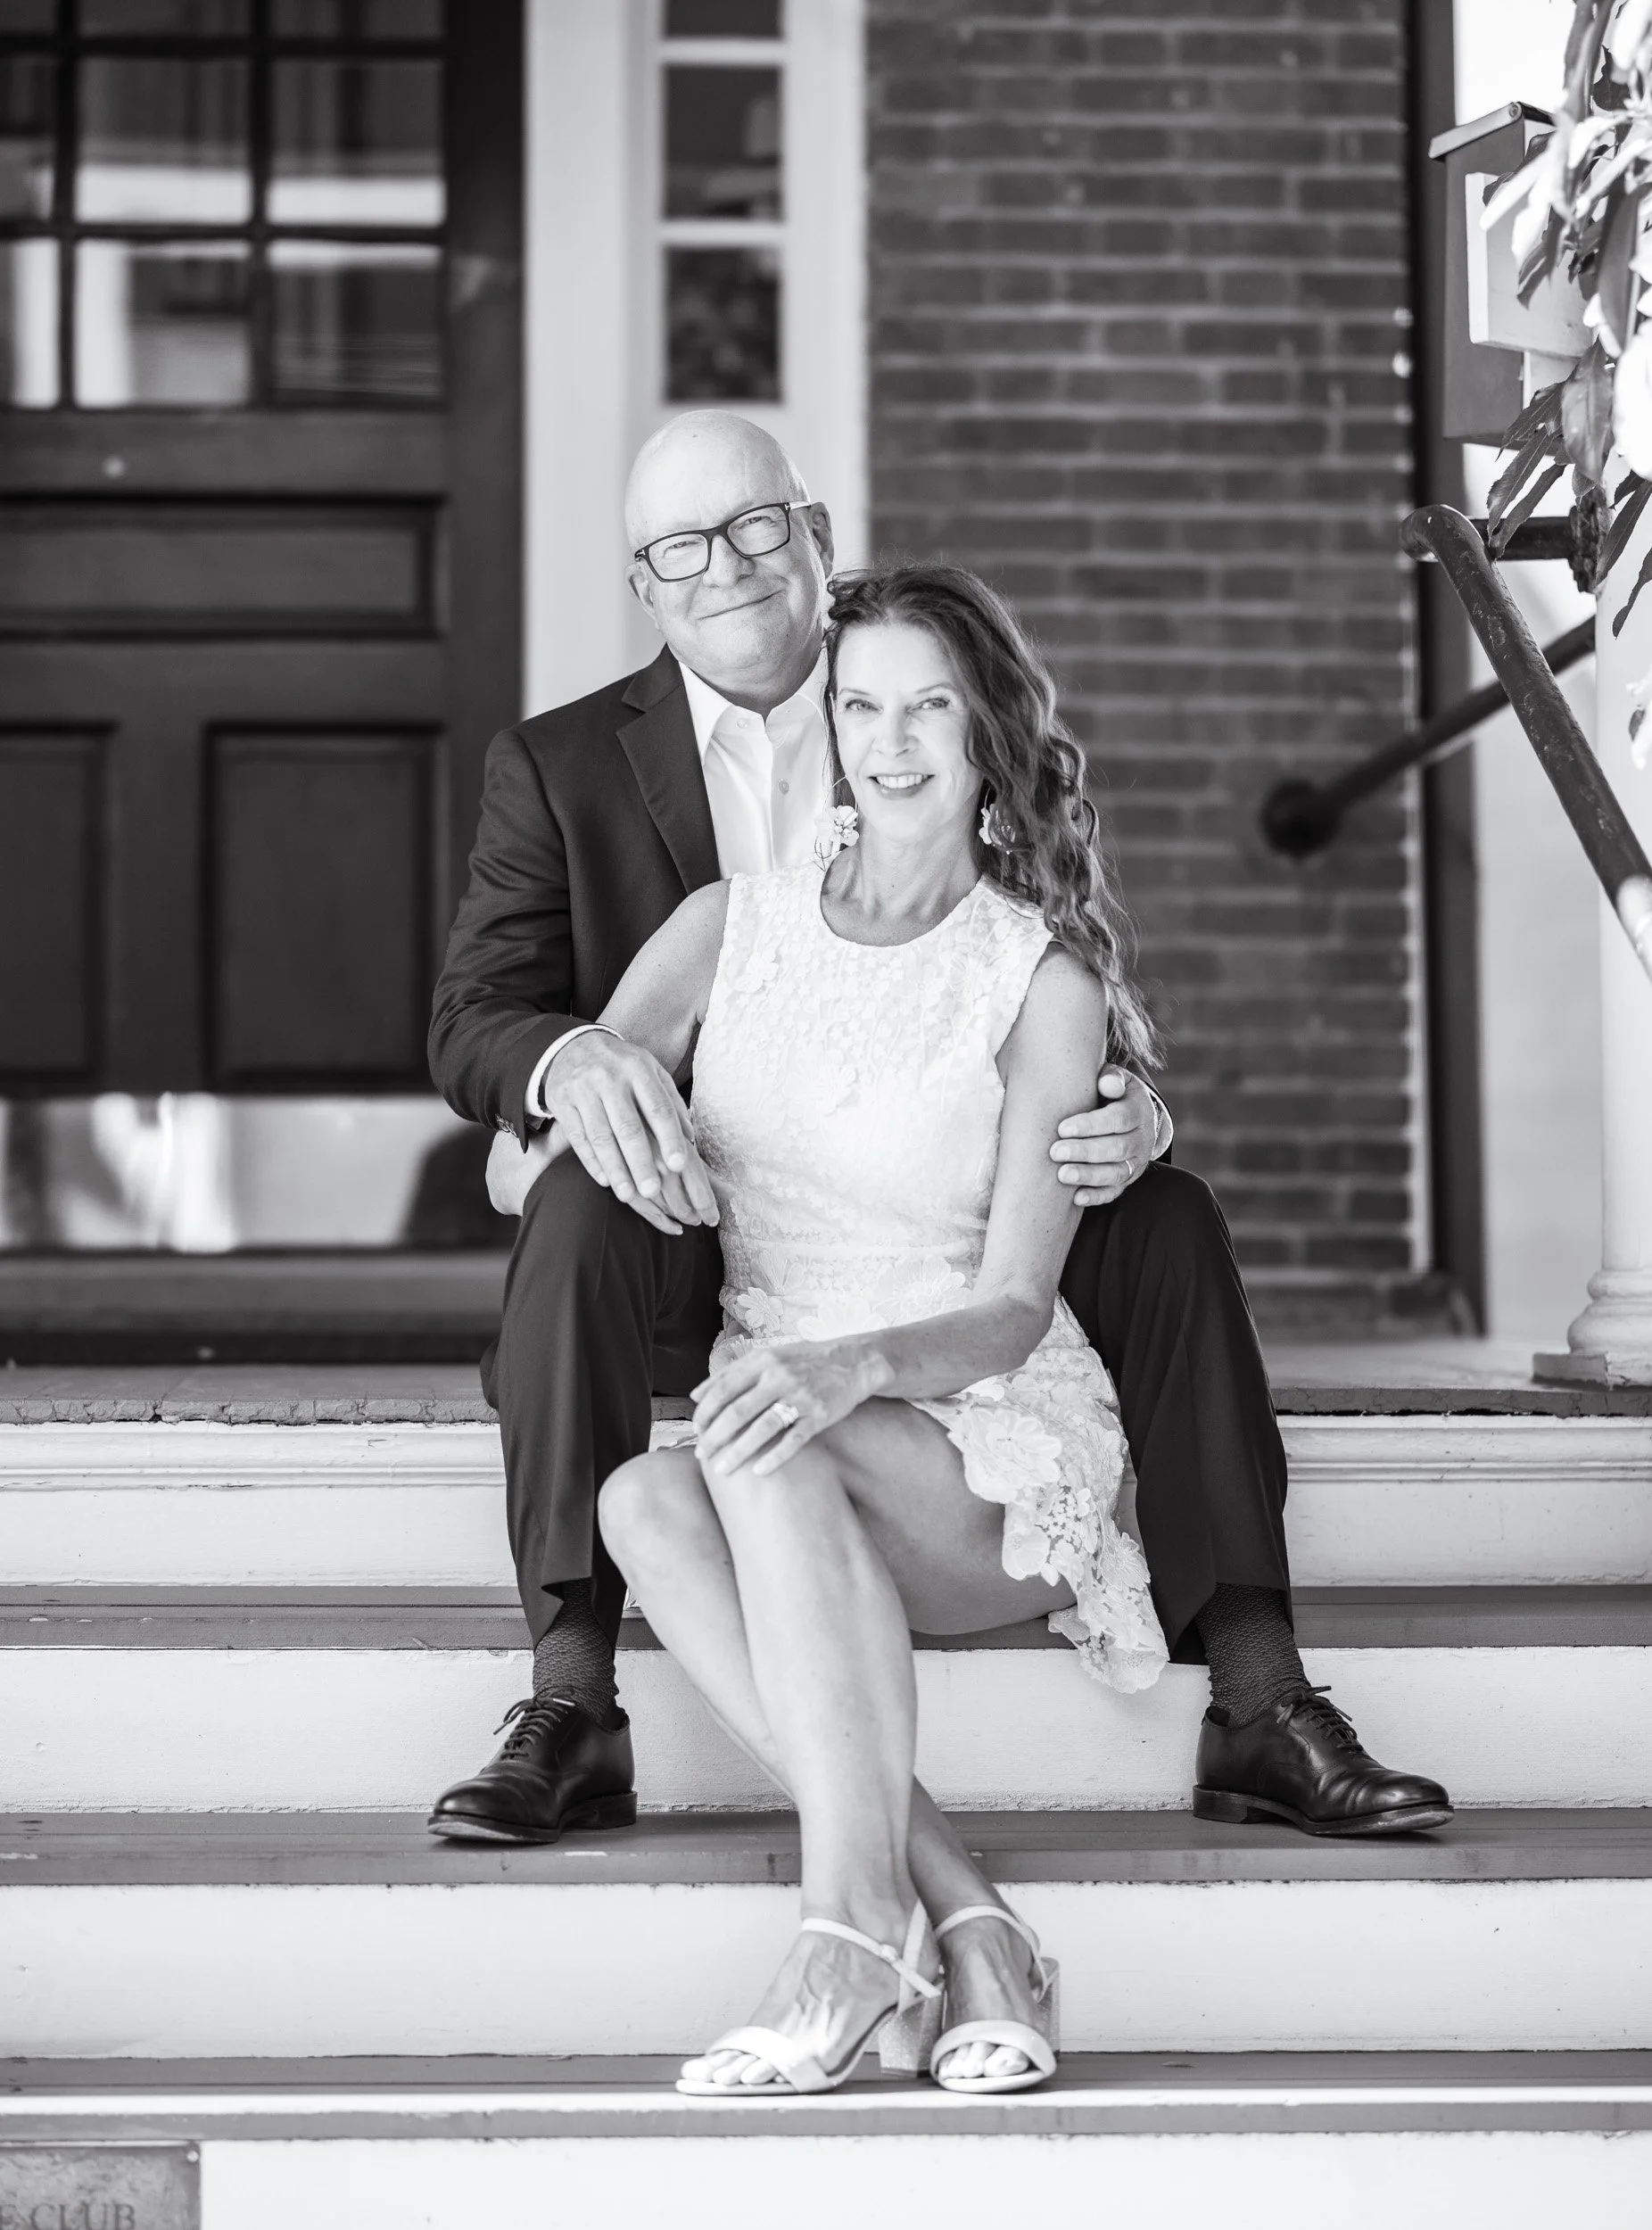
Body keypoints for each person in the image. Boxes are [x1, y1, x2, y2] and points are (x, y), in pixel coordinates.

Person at [425, 410, 1450, 1871]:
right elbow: (476, 1020)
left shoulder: (906, 677)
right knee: (585, 1205)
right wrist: (569, 1070)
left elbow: (1042, 976)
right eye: (680, 548)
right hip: (694, 1222)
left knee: (1163, 1214)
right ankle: (573, 1694)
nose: (726, 568)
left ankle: (1259, 1687)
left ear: (818, 535)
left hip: (937, 1217)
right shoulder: (564, 769)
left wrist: (1121, 1107)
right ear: (643, 585)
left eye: (757, 526)